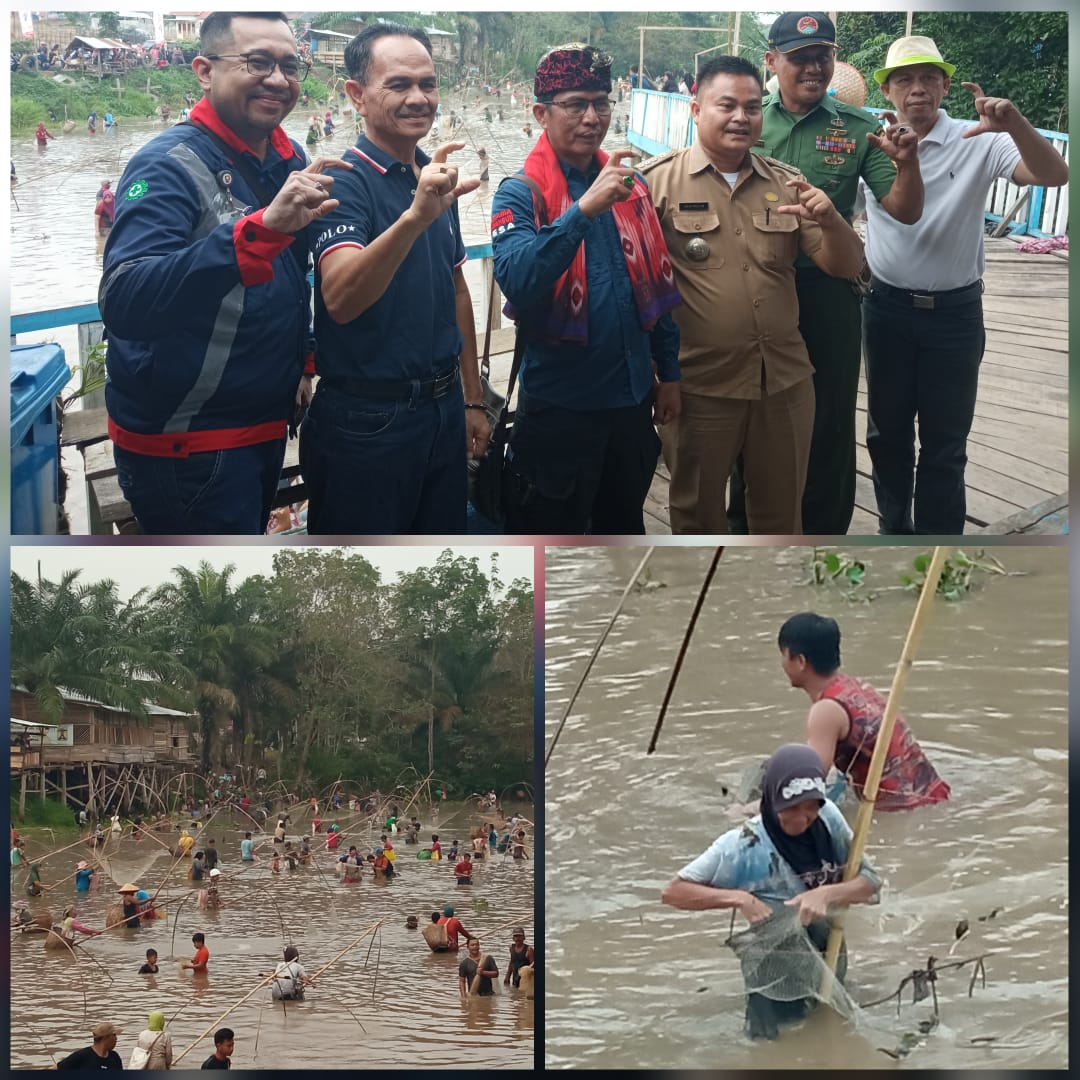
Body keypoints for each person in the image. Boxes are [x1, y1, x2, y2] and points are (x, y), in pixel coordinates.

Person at [100, 12, 346, 535]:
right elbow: (124, 298)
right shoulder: (165, 165)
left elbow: (291, 273)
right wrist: (255, 232)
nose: (278, 79)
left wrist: (303, 357)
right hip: (186, 446)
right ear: (204, 71)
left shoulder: (287, 156)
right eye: (257, 62)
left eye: (290, 65)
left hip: (262, 423)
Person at [641, 55, 864, 534]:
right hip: (700, 387)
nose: (741, 117)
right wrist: (657, 374)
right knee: (697, 517)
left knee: (781, 518)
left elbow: (844, 265)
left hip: (783, 382)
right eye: (727, 105)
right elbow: (635, 289)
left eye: (751, 107)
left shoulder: (786, 183)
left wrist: (830, 219)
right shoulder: (654, 185)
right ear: (695, 109)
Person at [861, 35, 1068, 534]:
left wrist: (1014, 123)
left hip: (955, 314)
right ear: (887, 90)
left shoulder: (980, 138)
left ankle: (940, 547)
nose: (918, 89)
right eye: (905, 79)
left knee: (946, 441)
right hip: (885, 308)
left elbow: (1055, 173)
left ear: (946, 85)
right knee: (886, 435)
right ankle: (893, 530)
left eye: (929, 77)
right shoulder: (870, 144)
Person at [726, 12, 923, 536]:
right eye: (799, 57)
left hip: (826, 290)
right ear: (772, 62)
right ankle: (743, 527)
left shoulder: (857, 128)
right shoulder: (746, 121)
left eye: (823, 56)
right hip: (753, 287)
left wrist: (908, 165)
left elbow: (903, 209)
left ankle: (823, 532)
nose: (813, 67)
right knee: (752, 407)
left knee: (830, 416)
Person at [300, 22, 489, 534]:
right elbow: (339, 299)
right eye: (399, 85)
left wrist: (473, 399)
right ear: (357, 96)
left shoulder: (433, 174)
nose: (418, 98)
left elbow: (455, 291)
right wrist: (414, 218)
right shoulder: (341, 181)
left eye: (427, 84)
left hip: (444, 406)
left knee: (440, 564)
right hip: (368, 418)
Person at [490, 42, 682, 535]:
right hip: (561, 410)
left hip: (631, 401)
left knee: (623, 530)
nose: (592, 117)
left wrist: (671, 372)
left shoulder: (628, 184)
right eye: (576, 104)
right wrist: (581, 211)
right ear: (541, 112)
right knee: (553, 546)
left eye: (602, 102)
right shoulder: (520, 192)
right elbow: (518, 279)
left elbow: (655, 288)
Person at [661, 744, 881, 1039]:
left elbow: (869, 884)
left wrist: (826, 894)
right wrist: (739, 898)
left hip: (828, 949)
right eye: (791, 808)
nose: (801, 819)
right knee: (775, 1046)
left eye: (810, 808)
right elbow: (674, 892)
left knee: (827, 1033)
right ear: (773, 800)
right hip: (774, 966)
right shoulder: (744, 844)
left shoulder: (828, 817)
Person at [778, 611, 950, 808]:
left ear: (800, 661)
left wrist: (752, 808)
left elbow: (808, 786)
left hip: (902, 811)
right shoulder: (854, 686)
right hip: (934, 796)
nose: (782, 663)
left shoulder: (825, 711)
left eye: (783, 655)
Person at [55, 1022, 123, 1069]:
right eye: (114, 1035)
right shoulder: (82, 1056)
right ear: (105, 1038)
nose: (116, 1039)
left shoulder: (115, 1057)